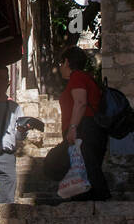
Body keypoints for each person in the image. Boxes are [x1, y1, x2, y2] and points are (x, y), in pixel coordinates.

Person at [43, 46, 111, 201]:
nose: (60, 68)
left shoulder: (78, 77)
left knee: (57, 163)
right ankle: (87, 202)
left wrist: (73, 128)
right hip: (90, 129)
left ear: (67, 62)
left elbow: (80, 102)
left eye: (61, 63)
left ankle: (104, 204)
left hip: (84, 129)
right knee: (87, 168)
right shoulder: (86, 78)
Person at [0, 66, 24, 204]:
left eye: (5, 78)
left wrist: (22, 130)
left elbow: (19, 137)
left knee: (6, 200)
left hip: (6, 156)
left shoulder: (15, 107)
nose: (3, 82)